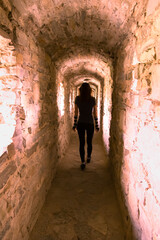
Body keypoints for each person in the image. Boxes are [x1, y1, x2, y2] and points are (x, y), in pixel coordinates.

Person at [72, 82, 99, 170]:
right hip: (90, 123)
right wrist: (97, 124)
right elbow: (95, 113)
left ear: (80, 90)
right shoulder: (92, 99)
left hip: (81, 123)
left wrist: (75, 124)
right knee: (89, 142)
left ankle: (83, 161)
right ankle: (88, 157)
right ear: (90, 90)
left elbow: (76, 112)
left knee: (81, 143)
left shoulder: (77, 99)